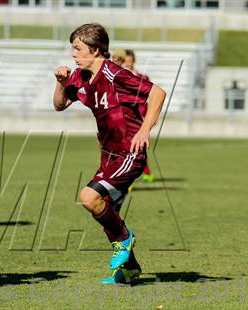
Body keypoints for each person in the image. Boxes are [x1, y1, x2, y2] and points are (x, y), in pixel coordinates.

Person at [53, 23, 166, 284]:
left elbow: (158, 93)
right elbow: (60, 105)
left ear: (94, 50)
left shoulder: (114, 73)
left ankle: (126, 239)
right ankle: (130, 268)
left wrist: (144, 130)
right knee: (106, 214)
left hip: (129, 152)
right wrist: (60, 83)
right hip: (108, 155)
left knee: (88, 197)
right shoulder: (80, 76)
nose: (73, 54)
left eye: (78, 48)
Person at [124, 49, 154, 184]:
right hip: (122, 116)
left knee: (137, 146)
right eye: (126, 61)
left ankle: (138, 174)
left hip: (138, 117)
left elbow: (149, 97)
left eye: (129, 62)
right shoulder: (119, 75)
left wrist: (150, 118)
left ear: (133, 61)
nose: (127, 64)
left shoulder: (141, 77)